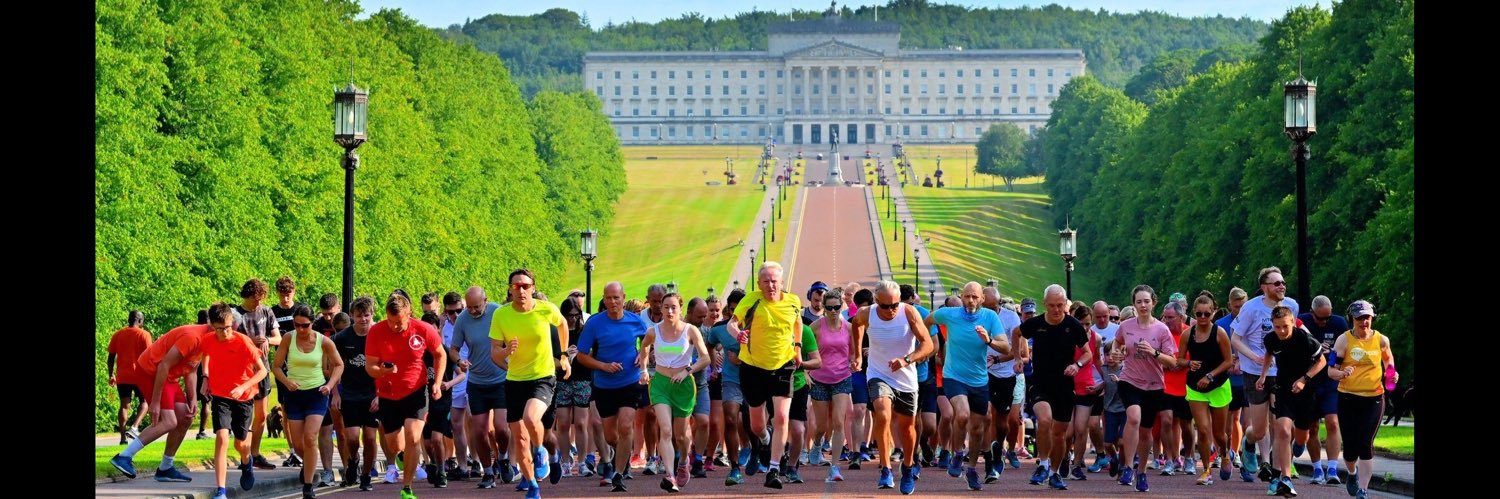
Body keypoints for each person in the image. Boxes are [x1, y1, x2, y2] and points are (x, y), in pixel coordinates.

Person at [109, 304, 220, 482]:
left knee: (186, 416)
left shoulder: (209, 341)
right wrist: (155, 402)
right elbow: (163, 365)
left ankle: (165, 468)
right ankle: (124, 456)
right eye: (226, 329)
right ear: (214, 326)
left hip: (168, 377)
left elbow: (191, 369)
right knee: (169, 421)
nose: (230, 334)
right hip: (151, 371)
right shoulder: (193, 337)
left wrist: (192, 399)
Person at [490, 269, 571, 499]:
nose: (521, 290)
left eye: (525, 286)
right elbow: (494, 354)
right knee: (520, 439)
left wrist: (563, 355)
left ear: (533, 287)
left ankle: (542, 452)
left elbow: (563, 324)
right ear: (509, 289)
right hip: (515, 381)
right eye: (516, 286)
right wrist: (506, 352)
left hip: (543, 377)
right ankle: (533, 486)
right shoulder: (501, 315)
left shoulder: (546, 309)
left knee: (531, 418)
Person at [851, 281, 936, 495]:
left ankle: (907, 467)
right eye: (885, 306)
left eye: (894, 305)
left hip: (906, 378)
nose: (891, 310)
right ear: (876, 301)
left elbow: (928, 344)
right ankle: (886, 467)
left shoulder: (909, 313)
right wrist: (859, 355)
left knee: (907, 428)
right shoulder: (866, 314)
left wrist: (907, 359)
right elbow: (856, 326)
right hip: (878, 374)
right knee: (882, 413)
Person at [923, 282, 1010, 491]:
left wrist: (988, 340)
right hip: (954, 376)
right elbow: (926, 321)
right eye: (967, 296)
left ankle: (971, 468)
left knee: (978, 428)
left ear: (981, 299)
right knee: (961, 415)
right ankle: (957, 453)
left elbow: (1006, 346)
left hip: (979, 380)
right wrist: (929, 341)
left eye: (974, 297)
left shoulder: (990, 317)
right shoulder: (949, 314)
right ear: (962, 297)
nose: (970, 300)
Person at [727, 262, 804, 489]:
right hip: (753, 366)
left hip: (783, 364)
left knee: (781, 417)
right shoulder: (751, 300)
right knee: (757, 424)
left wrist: (797, 347)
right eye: (766, 282)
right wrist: (739, 333)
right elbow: (733, 323)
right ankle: (765, 440)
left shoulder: (793, 301)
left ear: (781, 283)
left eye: (774, 281)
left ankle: (773, 469)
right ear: (759, 284)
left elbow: (797, 322)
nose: (770, 286)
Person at [367, 293, 447, 499]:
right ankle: (403, 456)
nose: (396, 326)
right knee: (395, 445)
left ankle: (407, 487)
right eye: (391, 322)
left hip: (416, 392)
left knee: (413, 438)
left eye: (400, 321)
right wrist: (383, 371)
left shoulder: (423, 329)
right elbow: (370, 367)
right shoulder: (376, 331)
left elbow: (440, 354)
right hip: (388, 393)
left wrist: (437, 383)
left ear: (409, 313)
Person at [576, 281, 651, 492]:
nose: (612, 302)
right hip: (604, 385)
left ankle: (618, 474)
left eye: (616, 297)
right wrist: (603, 366)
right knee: (610, 435)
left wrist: (641, 356)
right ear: (604, 299)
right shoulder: (595, 323)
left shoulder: (635, 321)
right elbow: (581, 356)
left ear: (623, 298)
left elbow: (647, 343)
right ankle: (622, 456)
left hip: (630, 381)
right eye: (608, 298)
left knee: (626, 425)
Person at [1014, 285, 1090, 490]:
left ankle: (1055, 473)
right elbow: (1016, 333)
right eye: (1051, 306)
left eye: (1060, 305)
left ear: (1065, 304)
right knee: (1045, 419)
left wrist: (1077, 365)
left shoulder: (1073, 325)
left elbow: (1087, 353)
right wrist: (1018, 358)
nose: (1056, 310)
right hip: (1040, 383)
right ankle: (1043, 464)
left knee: (1060, 434)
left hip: (1064, 386)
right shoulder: (1036, 323)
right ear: (1044, 304)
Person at [638, 293, 712, 492]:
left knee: (681, 436)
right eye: (666, 307)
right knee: (666, 430)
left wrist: (686, 370)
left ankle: (683, 462)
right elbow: (644, 347)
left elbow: (705, 359)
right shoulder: (654, 331)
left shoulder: (691, 330)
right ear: (660, 309)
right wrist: (644, 369)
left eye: (673, 307)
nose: (669, 311)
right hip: (661, 383)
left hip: (684, 386)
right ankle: (670, 475)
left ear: (680, 310)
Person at [271, 304, 344, 498]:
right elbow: (276, 367)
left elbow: (339, 364)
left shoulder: (323, 341)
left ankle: (308, 485)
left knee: (311, 437)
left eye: (305, 325)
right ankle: (310, 466)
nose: (301, 329)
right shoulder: (288, 338)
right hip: (294, 395)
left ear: (312, 323)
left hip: (316, 393)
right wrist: (287, 382)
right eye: (297, 325)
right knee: (299, 444)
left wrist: (329, 385)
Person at [1111, 285, 1178, 493]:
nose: (1143, 305)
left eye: (1146, 301)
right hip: (1129, 380)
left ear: (1153, 302)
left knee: (1146, 430)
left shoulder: (1161, 329)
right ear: (1134, 304)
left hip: (1154, 385)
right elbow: (1117, 342)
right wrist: (1116, 353)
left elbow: (1172, 362)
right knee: (1133, 418)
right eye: (1139, 302)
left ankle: (1141, 472)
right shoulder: (1126, 325)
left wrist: (1154, 352)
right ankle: (1128, 467)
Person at [200, 303, 269, 499]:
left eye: (228, 327)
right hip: (220, 395)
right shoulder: (208, 340)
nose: (225, 332)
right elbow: (205, 355)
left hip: (243, 397)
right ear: (212, 326)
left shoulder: (243, 342)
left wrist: (243, 387)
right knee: (222, 438)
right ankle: (220, 490)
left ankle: (246, 462)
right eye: (220, 329)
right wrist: (205, 377)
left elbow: (262, 371)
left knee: (241, 445)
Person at [1328, 300, 1396, 499]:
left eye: (1366, 317)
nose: (1363, 322)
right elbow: (1331, 370)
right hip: (1348, 397)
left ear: (1372, 317)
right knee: (1350, 447)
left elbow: (1388, 359)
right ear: (1352, 319)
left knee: (1365, 443)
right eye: (1359, 318)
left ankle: (1363, 490)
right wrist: (1341, 373)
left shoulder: (1381, 340)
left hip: (1374, 397)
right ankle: (1351, 473)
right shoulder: (1343, 340)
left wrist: (1391, 374)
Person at [1258, 305, 1327, 498]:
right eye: (1277, 326)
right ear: (1272, 325)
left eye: (1285, 327)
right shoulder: (1270, 339)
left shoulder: (1305, 339)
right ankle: (1286, 478)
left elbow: (1321, 362)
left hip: (1306, 391)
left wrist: (1304, 380)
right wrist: (1263, 376)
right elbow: (1269, 354)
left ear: (1292, 323)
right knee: (1283, 430)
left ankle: (1297, 447)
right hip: (1283, 389)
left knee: (1302, 437)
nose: (1281, 331)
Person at [1177, 295, 1235, 485]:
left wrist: (1210, 375)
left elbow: (1229, 361)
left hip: (1218, 385)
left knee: (1219, 434)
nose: (1203, 317)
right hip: (1195, 386)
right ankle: (1206, 471)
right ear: (1194, 313)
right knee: (1202, 430)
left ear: (1213, 312)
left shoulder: (1220, 333)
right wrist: (1188, 362)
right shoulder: (1188, 334)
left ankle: (1225, 454)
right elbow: (1179, 360)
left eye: (1207, 314)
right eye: (1199, 313)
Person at [333, 296, 381, 490]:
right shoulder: (342, 338)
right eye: (359, 316)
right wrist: (336, 393)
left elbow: (386, 367)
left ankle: (366, 474)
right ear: (352, 316)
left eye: (367, 315)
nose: (363, 320)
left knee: (370, 438)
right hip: (350, 393)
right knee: (352, 437)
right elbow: (334, 367)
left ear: (372, 315)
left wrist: (380, 395)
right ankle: (353, 460)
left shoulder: (379, 335)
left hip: (372, 394)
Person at [808, 287, 853, 483]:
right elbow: (804, 351)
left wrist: (856, 361)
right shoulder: (816, 327)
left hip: (842, 378)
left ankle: (834, 468)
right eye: (830, 308)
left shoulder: (850, 328)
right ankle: (817, 444)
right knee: (822, 425)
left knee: (837, 422)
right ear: (824, 308)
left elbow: (854, 352)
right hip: (819, 378)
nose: (834, 311)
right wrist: (806, 371)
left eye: (837, 307)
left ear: (842, 306)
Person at [108, 311, 153, 445]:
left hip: (123, 375)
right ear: (140, 321)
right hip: (140, 375)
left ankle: (123, 437)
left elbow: (111, 357)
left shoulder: (118, 334)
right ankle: (134, 427)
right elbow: (150, 355)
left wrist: (111, 374)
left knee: (124, 405)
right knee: (145, 402)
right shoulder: (144, 334)